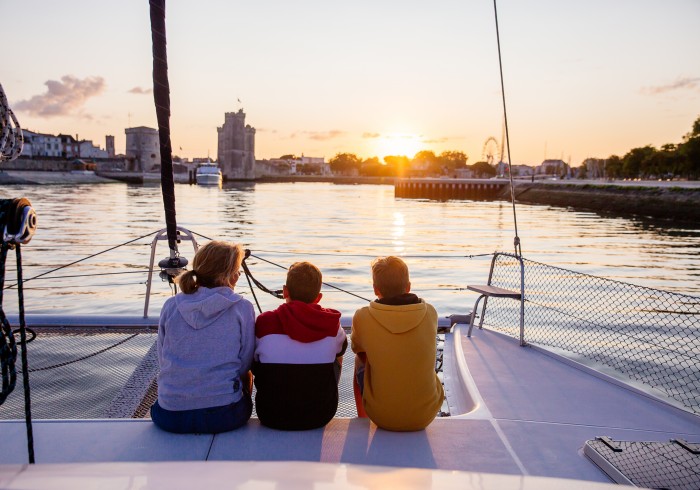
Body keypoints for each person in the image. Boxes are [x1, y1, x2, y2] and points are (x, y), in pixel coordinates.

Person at [151, 240, 255, 434]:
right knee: (246, 376)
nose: (239, 275)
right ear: (230, 275)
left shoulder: (171, 305)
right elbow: (245, 362)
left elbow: (163, 358)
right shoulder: (242, 308)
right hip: (225, 416)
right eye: (238, 270)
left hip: (169, 416)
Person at [351, 256, 444, 431]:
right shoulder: (430, 312)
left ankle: (363, 418)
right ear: (408, 286)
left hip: (381, 416)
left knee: (359, 358)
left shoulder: (362, 317)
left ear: (375, 289)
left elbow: (357, 348)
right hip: (425, 415)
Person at [253, 261, 347, 430]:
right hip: (321, 415)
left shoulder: (264, 322)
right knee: (338, 353)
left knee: (255, 355)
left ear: (285, 291)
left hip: (270, 414)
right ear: (318, 297)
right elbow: (341, 350)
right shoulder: (332, 324)